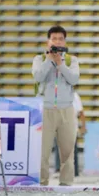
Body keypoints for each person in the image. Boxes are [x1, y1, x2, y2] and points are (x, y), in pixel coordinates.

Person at [32, 25, 80, 186]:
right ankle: (42, 182)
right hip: (44, 109)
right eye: (54, 39)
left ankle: (66, 183)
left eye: (60, 39)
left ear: (65, 41)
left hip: (66, 109)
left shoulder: (71, 60)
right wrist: (49, 61)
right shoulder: (39, 59)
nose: (57, 41)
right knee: (43, 151)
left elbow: (74, 79)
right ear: (48, 41)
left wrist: (60, 63)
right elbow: (38, 77)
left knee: (67, 150)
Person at [55, 91, 87, 176]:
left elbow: (81, 112)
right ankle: (59, 171)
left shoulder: (74, 96)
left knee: (72, 151)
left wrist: (83, 126)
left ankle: (74, 172)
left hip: (72, 127)